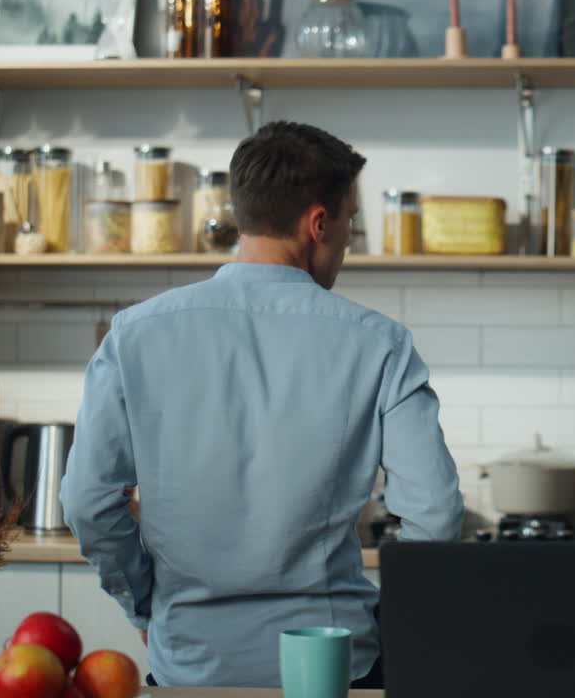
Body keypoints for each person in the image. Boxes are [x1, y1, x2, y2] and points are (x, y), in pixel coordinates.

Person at [60, 121, 464, 688]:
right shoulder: (380, 343)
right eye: (349, 220)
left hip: (189, 666)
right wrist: (392, 622)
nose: (347, 238)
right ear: (318, 223)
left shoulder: (135, 334)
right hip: (336, 667)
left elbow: (86, 503)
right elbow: (437, 516)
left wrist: (144, 605)